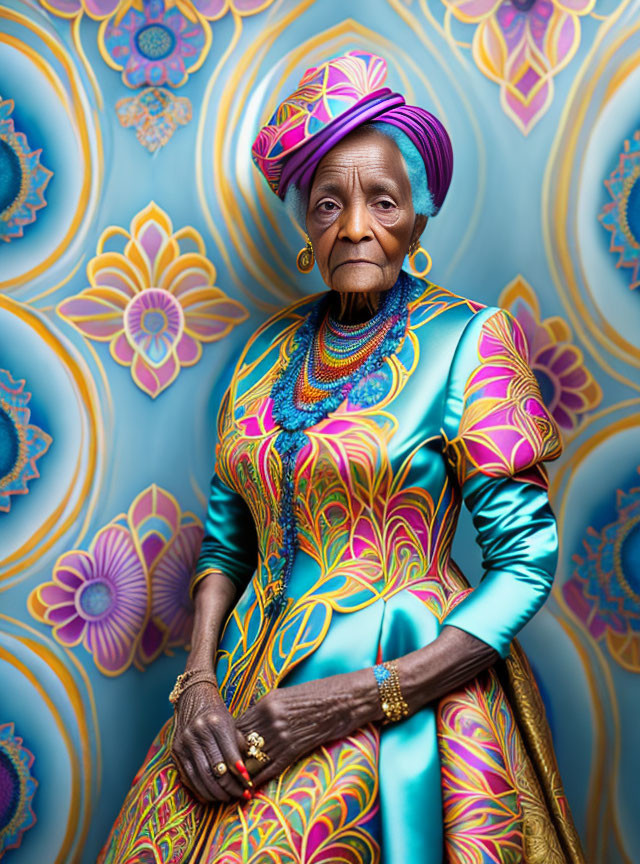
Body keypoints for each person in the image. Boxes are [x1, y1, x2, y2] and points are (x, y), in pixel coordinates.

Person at [99, 50, 585, 863]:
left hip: (408, 686)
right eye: (329, 205)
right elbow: (227, 542)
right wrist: (199, 686)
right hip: (243, 683)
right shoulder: (262, 352)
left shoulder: (471, 340)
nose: (356, 226)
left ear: (421, 212)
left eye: (383, 201)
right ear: (305, 225)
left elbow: (527, 562)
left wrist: (364, 695)